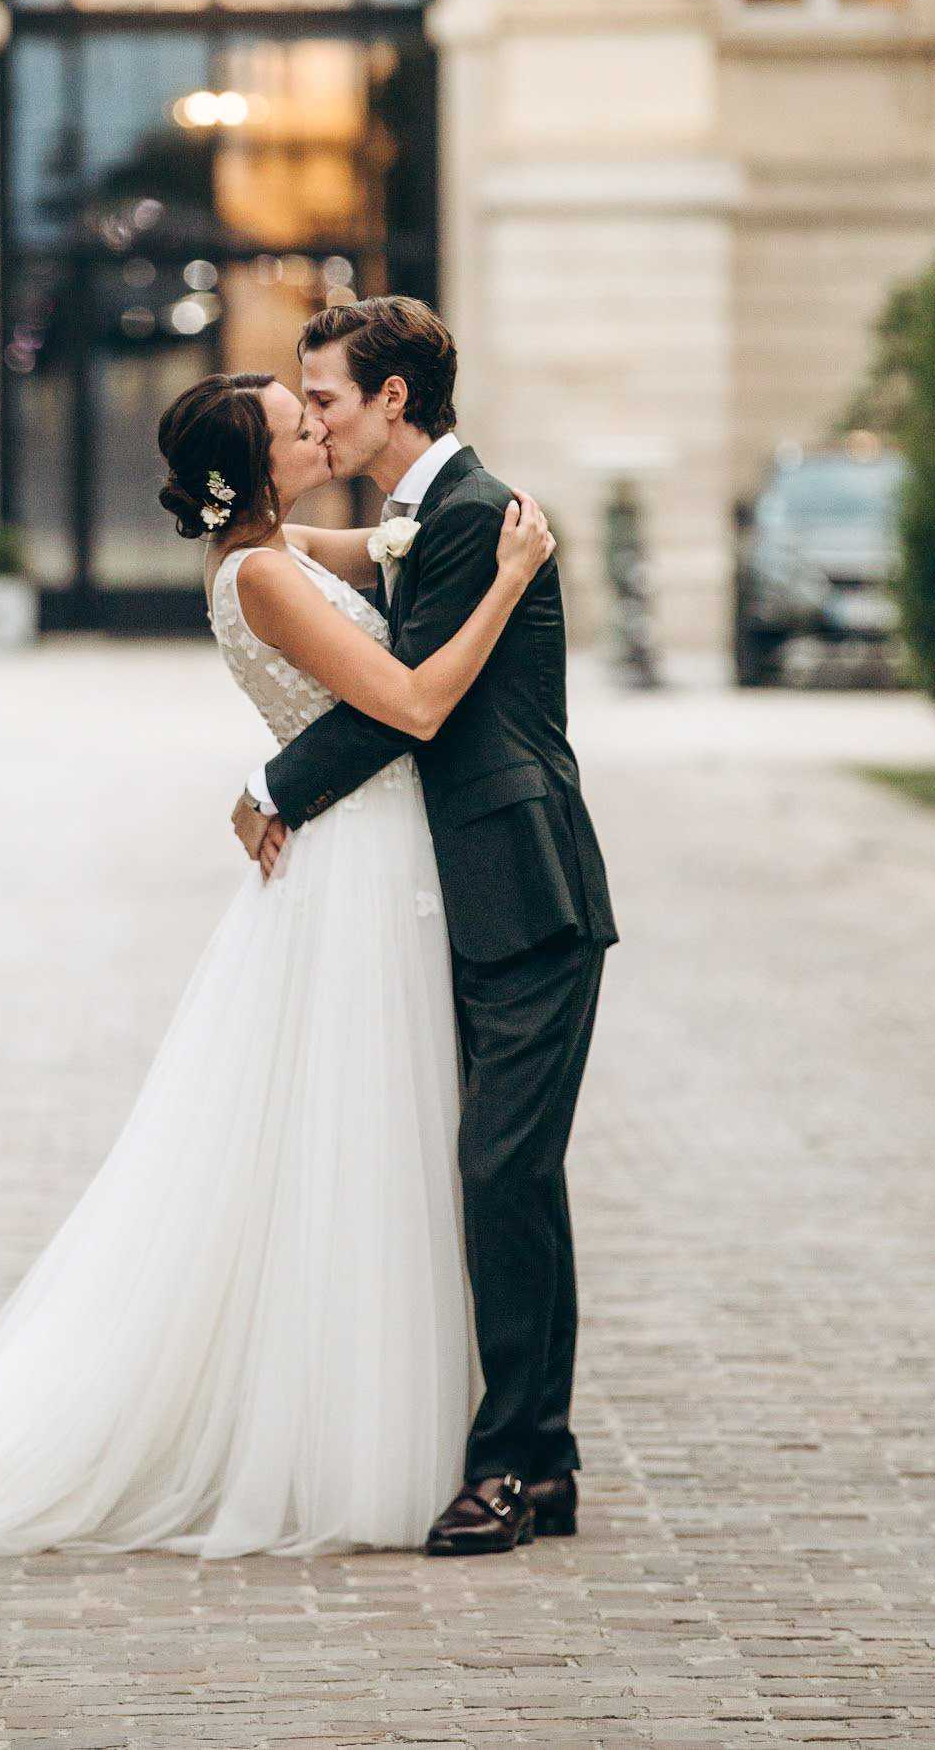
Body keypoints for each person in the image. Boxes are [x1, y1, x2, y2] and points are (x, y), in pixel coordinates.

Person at [0, 366, 552, 1563]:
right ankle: (349, 1447)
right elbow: (417, 702)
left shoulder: (273, 551)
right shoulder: (266, 575)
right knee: (358, 1141)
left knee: (370, 1140)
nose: (315, 426)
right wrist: (510, 579)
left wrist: (418, 534)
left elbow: (379, 544)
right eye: (293, 424)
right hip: (360, 872)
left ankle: (402, 1425)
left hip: (372, 857)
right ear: (255, 466)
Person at [232, 295, 617, 1556]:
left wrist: (271, 786)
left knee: (497, 1171)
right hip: (474, 887)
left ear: (392, 398)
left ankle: (506, 1464)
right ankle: (544, 1460)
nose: (320, 420)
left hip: (526, 887)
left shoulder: (470, 518)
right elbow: (334, 564)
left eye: (328, 399)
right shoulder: (426, 519)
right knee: (518, 1179)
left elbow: (409, 707)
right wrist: (267, 541)